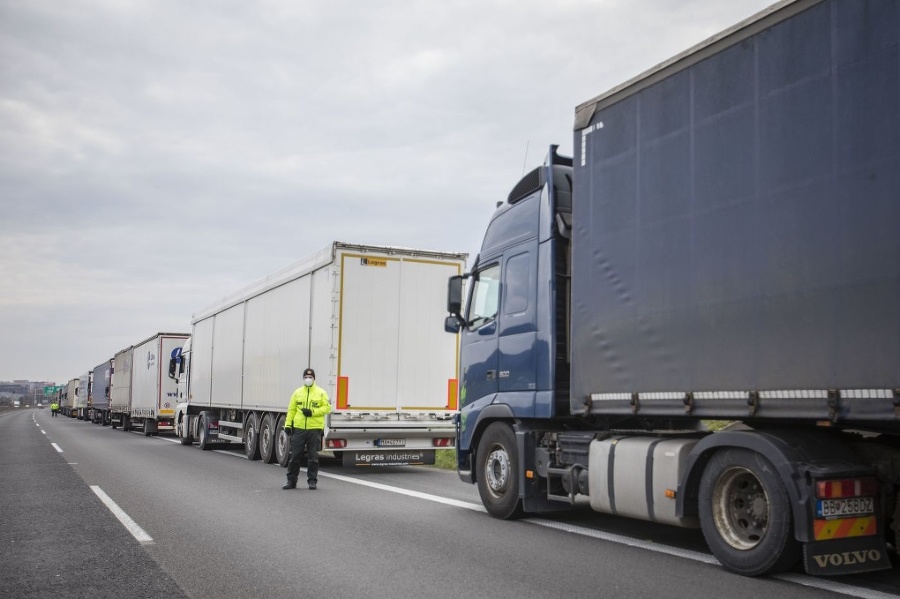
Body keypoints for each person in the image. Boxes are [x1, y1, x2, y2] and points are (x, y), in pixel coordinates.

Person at [283, 368, 332, 490]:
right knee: (295, 456)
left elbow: (327, 408)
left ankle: (312, 481)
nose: (308, 379)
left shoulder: (321, 393)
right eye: (306, 377)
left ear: (314, 378)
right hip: (299, 429)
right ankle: (291, 481)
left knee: (313, 457)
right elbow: (291, 410)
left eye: (310, 377)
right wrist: (288, 425)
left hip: (314, 429)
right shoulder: (297, 393)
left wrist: (312, 412)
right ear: (303, 378)